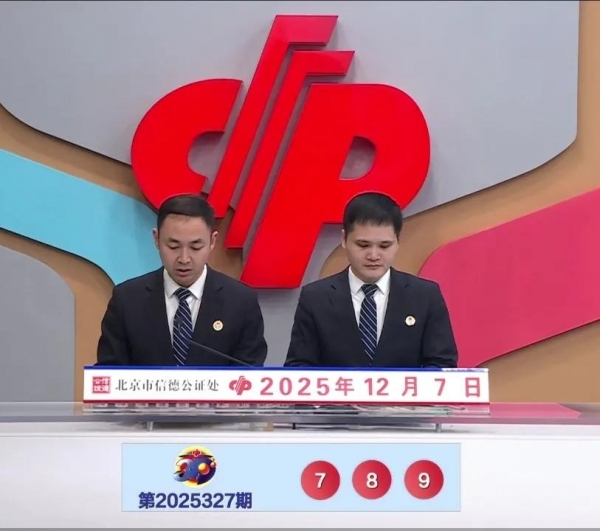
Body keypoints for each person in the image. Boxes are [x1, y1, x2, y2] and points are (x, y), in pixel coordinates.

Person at [284, 192, 458, 369]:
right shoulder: (315, 298)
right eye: (363, 245)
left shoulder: (425, 296)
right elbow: (299, 367)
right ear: (344, 240)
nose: (374, 255)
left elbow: (442, 365)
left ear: (398, 242)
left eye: (384, 246)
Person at [96, 194, 267, 367]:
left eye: (195, 247)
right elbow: (109, 371)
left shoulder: (241, 303)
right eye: (173, 246)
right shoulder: (127, 300)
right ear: (156, 239)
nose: (184, 259)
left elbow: (249, 373)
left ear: (212, 241)